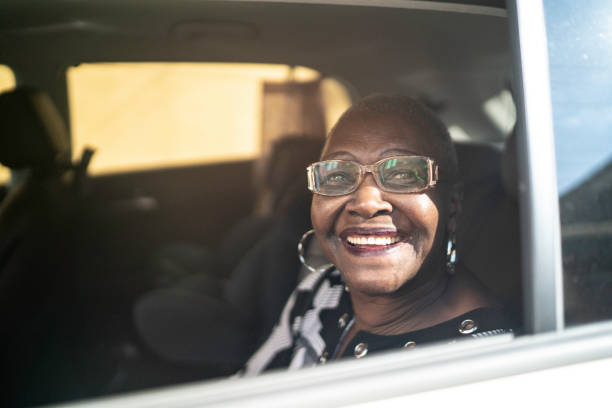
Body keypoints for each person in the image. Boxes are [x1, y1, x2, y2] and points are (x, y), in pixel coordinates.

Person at [239, 94, 516, 375]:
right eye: (338, 176)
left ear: (452, 207)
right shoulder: (321, 290)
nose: (366, 203)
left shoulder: (479, 363)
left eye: (404, 175)